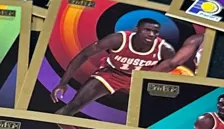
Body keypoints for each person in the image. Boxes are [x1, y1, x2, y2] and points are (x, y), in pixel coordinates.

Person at [50, 19, 204, 115]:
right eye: (147, 30)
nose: (151, 34)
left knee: (152, 116)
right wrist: (63, 82)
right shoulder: (118, 39)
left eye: (155, 32)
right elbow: (83, 55)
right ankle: (52, 126)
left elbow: (171, 65)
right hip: (111, 73)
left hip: (139, 80)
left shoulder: (164, 49)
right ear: (136, 30)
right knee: (74, 106)